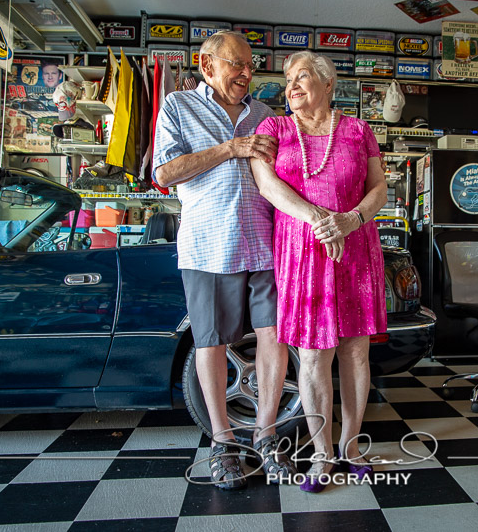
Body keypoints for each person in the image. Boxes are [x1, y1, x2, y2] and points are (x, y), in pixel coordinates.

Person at [152, 31, 296, 490]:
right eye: (237, 64)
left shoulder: (266, 115)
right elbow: (163, 172)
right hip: (209, 247)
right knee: (210, 343)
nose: (247, 73)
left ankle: (266, 434)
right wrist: (231, 148)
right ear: (207, 64)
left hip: (266, 244)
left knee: (274, 336)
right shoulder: (178, 106)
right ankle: (222, 441)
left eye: (251, 66)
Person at [250, 50, 388, 493]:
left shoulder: (359, 130)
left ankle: (351, 446)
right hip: (302, 252)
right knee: (312, 356)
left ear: (328, 84)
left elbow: (379, 187)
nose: (291, 86)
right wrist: (319, 220)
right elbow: (266, 183)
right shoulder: (274, 128)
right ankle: (321, 453)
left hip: (355, 247)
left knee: (355, 352)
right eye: (288, 78)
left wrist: (351, 220)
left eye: (302, 76)